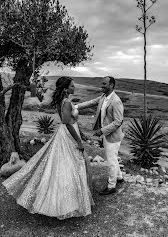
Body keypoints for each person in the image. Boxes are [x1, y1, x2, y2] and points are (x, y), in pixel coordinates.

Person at [3, 76, 94, 220]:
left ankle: (71, 200)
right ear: (65, 89)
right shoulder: (67, 102)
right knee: (68, 166)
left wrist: (81, 134)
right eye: (72, 86)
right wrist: (79, 141)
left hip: (70, 132)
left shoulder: (62, 101)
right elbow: (67, 123)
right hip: (68, 134)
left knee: (67, 165)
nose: (74, 87)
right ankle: (64, 202)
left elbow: (71, 121)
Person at [77, 76, 124, 195]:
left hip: (113, 136)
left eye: (104, 84)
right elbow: (92, 102)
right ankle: (119, 177)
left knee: (111, 161)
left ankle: (111, 186)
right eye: (102, 83)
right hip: (107, 134)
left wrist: (102, 131)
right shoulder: (104, 97)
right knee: (113, 157)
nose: (101, 86)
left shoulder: (116, 101)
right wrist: (76, 107)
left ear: (111, 85)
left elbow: (118, 122)